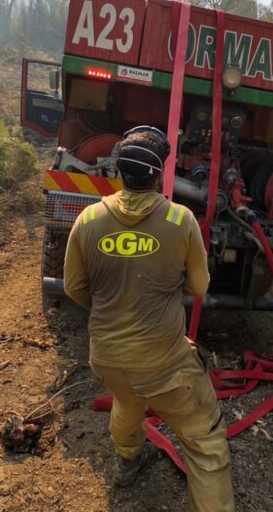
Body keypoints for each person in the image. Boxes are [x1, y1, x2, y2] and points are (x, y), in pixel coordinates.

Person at [63, 126, 234, 512]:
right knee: (206, 444)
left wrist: (114, 306)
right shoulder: (180, 220)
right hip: (164, 364)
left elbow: (74, 287)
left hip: (106, 358)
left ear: (118, 170)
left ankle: (127, 459)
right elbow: (200, 285)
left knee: (128, 396)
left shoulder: (88, 220)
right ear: (159, 175)